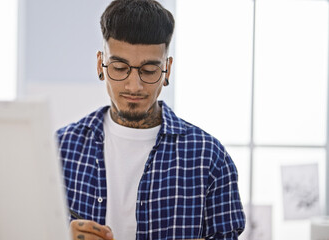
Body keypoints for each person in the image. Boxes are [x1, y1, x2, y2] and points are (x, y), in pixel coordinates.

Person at [56, 0, 246, 239]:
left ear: (167, 69)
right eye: (119, 67)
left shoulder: (209, 158)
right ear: (100, 65)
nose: (133, 86)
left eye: (148, 71)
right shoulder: (59, 149)